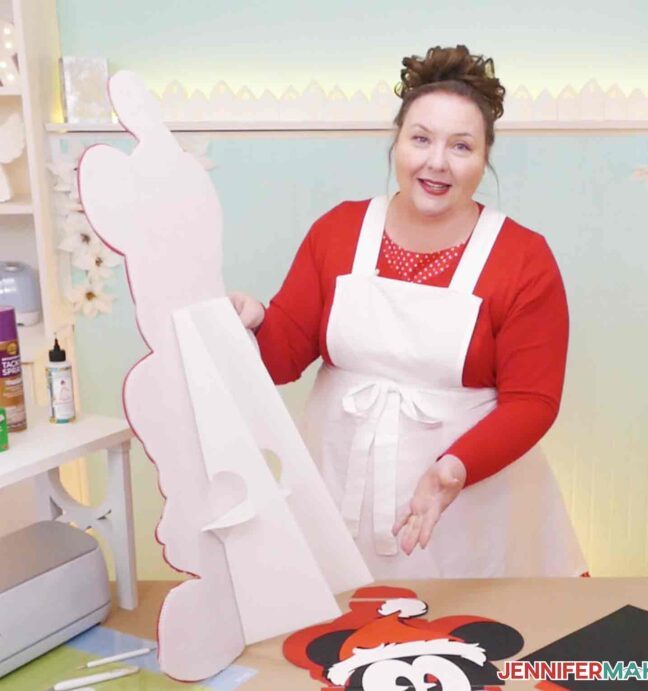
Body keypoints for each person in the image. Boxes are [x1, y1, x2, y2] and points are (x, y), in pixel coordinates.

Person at [231, 45, 586, 579]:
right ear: (396, 142)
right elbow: (282, 358)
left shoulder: (523, 258)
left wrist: (452, 470)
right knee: (334, 642)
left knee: (470, 646)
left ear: (485, 155)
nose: (436, 162)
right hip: (337, 482)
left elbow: (533, 401)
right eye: (420, 139)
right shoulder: (339, 231)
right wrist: (256, 322)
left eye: (461, 146)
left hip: (470, 507)